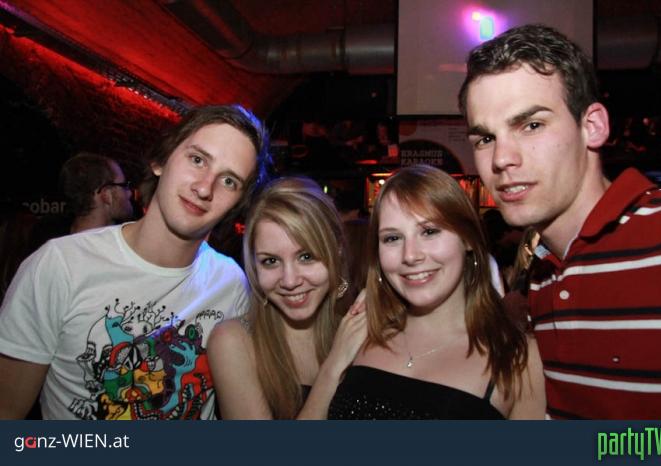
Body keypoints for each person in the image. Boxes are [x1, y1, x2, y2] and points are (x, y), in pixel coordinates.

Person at [459, 24, 661, 419]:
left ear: (592, 127)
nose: (501, 159)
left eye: (531, 125)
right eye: (485, 139)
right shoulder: (542, 276)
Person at [0, 104, 270, 420]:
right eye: (197, 160)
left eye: (229, 181)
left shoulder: (231, 283)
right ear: (160, 161)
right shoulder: (60, 265)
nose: (203, 188)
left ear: (237, 204)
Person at [328, 165, 545, 419]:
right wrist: (333, 364)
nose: (410, 255)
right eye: (392, 238)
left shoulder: (518, 359)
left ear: (467, 239)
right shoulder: (360, 334)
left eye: (429, 231)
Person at [208, 177, 367, 419]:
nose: (290, 281)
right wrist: (333, 367)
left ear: (336, 251)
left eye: (306, 257)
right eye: (271, 261)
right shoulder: (233, 341)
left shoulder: (357, 331)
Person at [61, 152, 135, 234]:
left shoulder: (59, 239)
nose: (129, 193)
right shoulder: (127, 238)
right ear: (106, 195)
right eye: (124, 186)